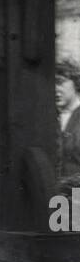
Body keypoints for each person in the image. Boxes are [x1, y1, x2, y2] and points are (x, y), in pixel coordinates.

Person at [55, 58, 80, 192]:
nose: (54, 89)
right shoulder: (48, 117)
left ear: (75, 82)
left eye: (59, 82)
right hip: (54, 199)